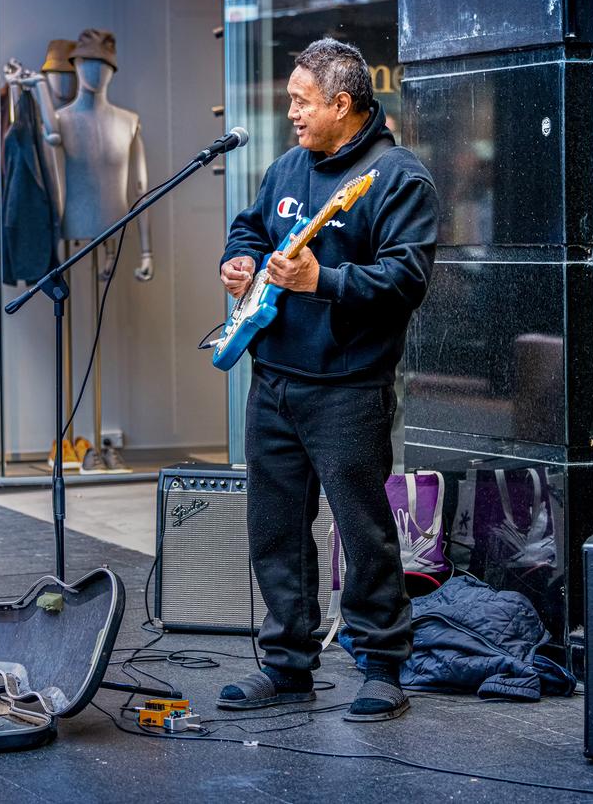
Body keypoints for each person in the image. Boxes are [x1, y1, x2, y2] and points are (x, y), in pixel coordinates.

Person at [217, 38, 438, 722]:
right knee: (275, 530)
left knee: (361, 531)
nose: (291, 114)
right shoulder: (288, 168)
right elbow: (249, 230)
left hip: (348, 387)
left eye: (301, 102)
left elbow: (407, 280)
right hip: (274, 380)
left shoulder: (399, 178)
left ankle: (381, 665)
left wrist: (324, 279)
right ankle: (287, 665)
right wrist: (237, 262)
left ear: (343, 104)